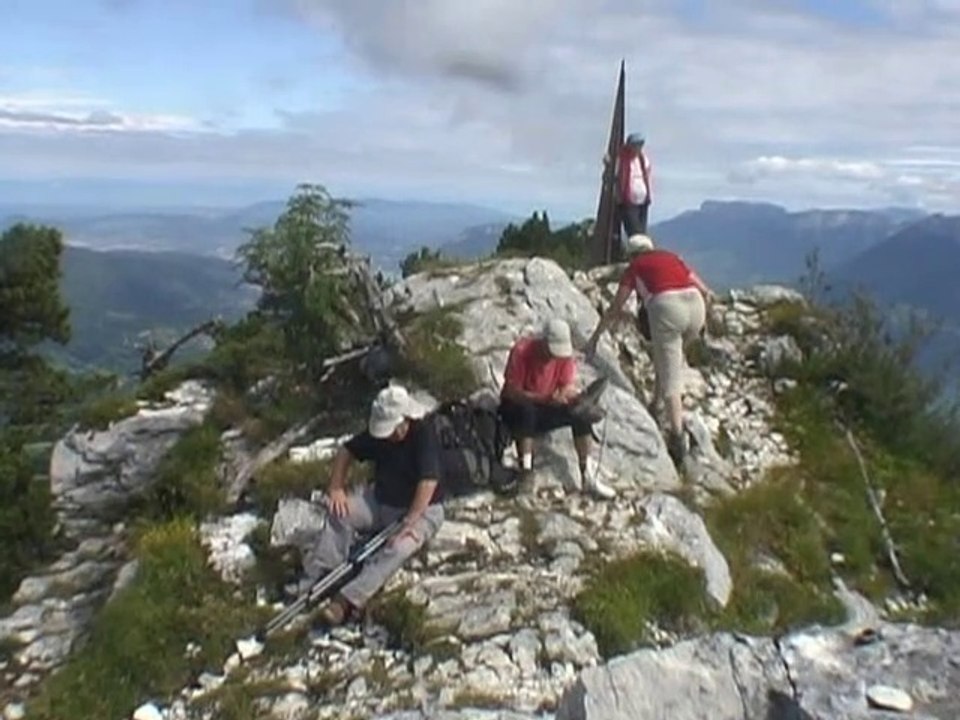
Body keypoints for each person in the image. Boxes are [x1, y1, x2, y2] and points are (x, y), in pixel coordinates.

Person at [306, 384, 445, 626]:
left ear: (405, 420)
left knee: (399, 548)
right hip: (379, 500)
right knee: (340, 513)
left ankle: (345, 600)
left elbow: (428, 482)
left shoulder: (424, 433)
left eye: (392, 430)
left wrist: (410, 522)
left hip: (422, 509)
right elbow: (346, 451)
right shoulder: (378, 437)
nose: (389, 436)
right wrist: (336, 487)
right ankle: (323, 572)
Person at [585, 234, 715, 466]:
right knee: (667, 361)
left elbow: (616, 306)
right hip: (696, 306)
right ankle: (655, 404)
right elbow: (702, 287)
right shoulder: (672, 257)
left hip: (667, 309)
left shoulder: (636, 266)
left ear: (632, 254)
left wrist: (595, 338)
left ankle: (677, 439)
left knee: (671, 382)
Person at [498, 318, 616, 500]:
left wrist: (568, 396)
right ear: (543, 342)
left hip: (546, 405)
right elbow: (513, 391)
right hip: (515, 408)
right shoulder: (522, 351)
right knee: (526, 411)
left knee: (580, 413)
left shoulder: (564, 358)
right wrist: (544, 398)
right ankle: (526, 470)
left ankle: (587, 474)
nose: (553, 357)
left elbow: (566, 384)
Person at [616, 132, 653, 238]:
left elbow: (647, 174)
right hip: (628, 202)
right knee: (635, 234)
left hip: (642, 202)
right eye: (636, 145)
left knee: (642, 232)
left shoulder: (642, 159)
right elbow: (614, 175)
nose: (638, 148)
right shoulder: (622, 160)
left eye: (640, 145)